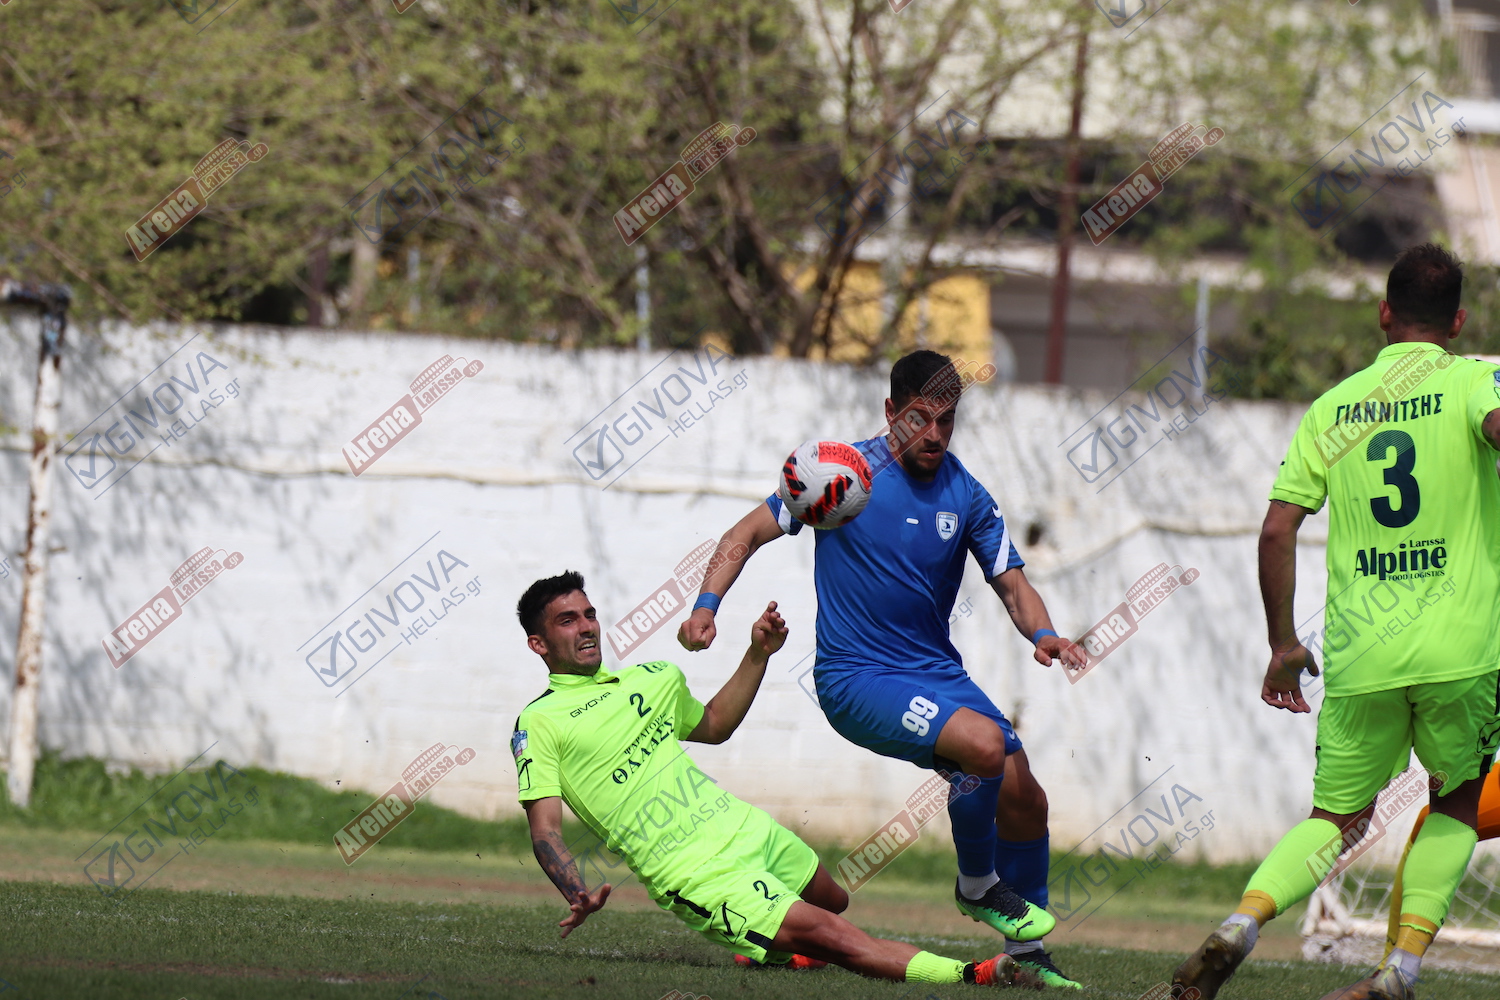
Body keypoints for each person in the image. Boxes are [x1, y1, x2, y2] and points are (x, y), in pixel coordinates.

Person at [676, 350, 1090, 990]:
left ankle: (1028, 954)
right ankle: (976, 884)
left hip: (934, 673)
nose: (935, 434)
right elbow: (746, 533)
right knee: (983, 746)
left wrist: (1045, 634)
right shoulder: (842, 474)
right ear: (891, 411)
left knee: (1023, 795)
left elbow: (1012, 584)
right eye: (921, 418)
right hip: (856, 677)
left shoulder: (967, 494)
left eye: (947, 420)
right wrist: (706, 606)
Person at [1173, 243, 1500, 1000]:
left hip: (1362, 653)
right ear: (1457, 321)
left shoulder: (1334, 407)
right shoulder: (1472, 381)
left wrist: (1284, 645)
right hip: (1463, 651)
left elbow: (1275, 531)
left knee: (1336, 818)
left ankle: (1243, 921)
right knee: (1453, 803)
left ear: (1384, 314)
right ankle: (1399, 971)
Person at [512, 570, 1030, 988]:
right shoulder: (538, 722)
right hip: (693, 870)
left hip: (742, 827)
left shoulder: (650, 679)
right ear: (539, 643)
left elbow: (714, 724)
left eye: (589, 614)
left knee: (833, 901)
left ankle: (772, 951)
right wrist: (575, 889)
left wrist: (758, 653)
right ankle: (972, 975)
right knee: (834, 935)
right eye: (566, 621)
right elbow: (545, 830)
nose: (586, 627)